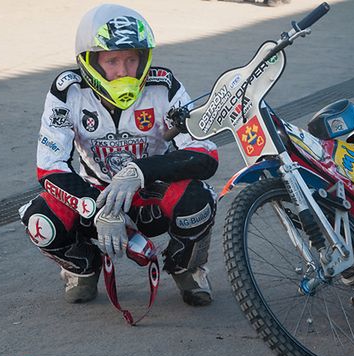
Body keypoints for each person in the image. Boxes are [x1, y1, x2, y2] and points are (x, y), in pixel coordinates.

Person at [19, 4, 219, 307]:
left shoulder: (164, 86)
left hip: (149, 192)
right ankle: (83, 269)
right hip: (96, 194)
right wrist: (98, 209)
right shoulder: (67, 91)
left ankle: (186, 269)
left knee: (198, 201)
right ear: (90, 63)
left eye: (131, 59)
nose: (124, 71)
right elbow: (50, 167)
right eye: (112, 61)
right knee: (41, 220)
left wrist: (139, 171)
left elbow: (205, 154)